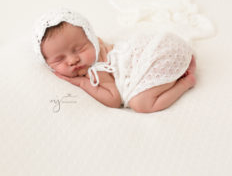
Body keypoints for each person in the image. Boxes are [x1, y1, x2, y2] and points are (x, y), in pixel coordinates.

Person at [33, 8, 196, 113]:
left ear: (92, 39)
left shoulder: (96, 69)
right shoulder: (98, 46)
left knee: (140, 104)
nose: (73, 60)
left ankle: (185, 83)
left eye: (80, 49)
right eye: (60, 59)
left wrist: (83, 83)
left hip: (159, 55)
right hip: (161, 48)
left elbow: (114, 99)